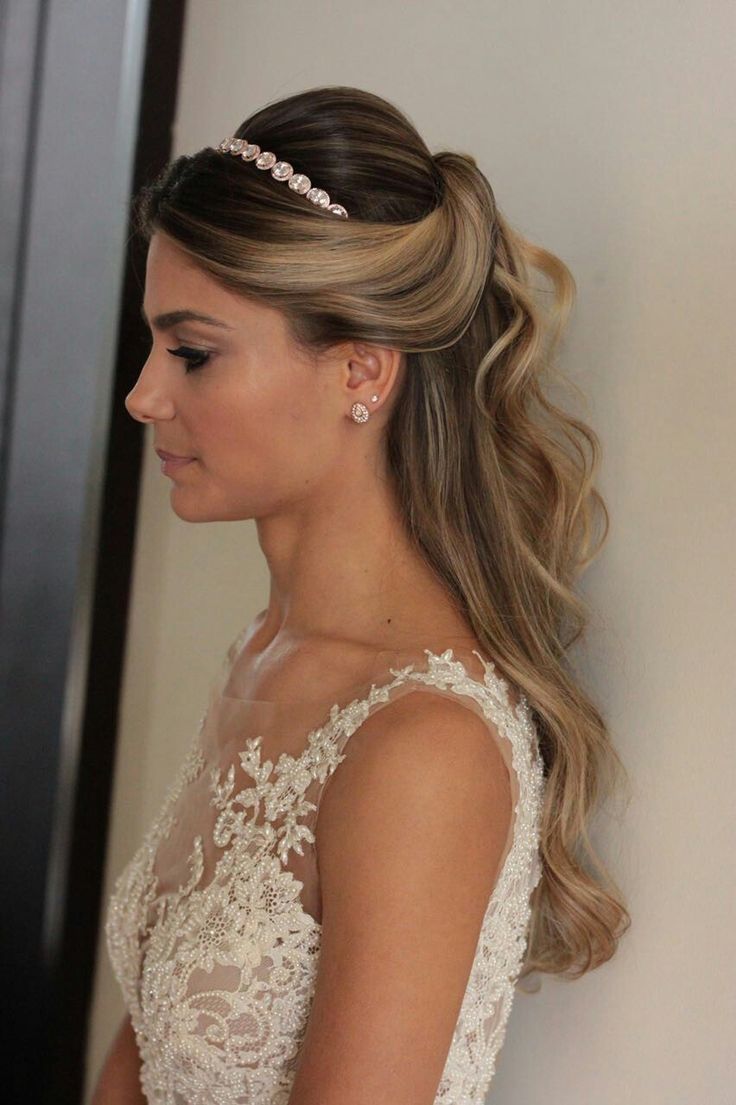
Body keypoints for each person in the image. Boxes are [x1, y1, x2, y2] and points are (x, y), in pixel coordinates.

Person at [93, 85, 630, 1105]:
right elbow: (150, 1045)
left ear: (361, 374)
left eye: (191, 351)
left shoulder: (423, 742)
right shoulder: (265, 653)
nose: (143, 394)